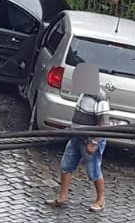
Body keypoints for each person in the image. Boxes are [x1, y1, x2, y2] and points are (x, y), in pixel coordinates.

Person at [45, 63, 110, 212]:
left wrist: (93, 142)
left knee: (93, 171)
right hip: (76, 137)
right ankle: (63, 196)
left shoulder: (100, 98)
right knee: (66, 165)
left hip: (90, 140)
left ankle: (100, 199)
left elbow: (103, 125)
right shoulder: (84, 94)